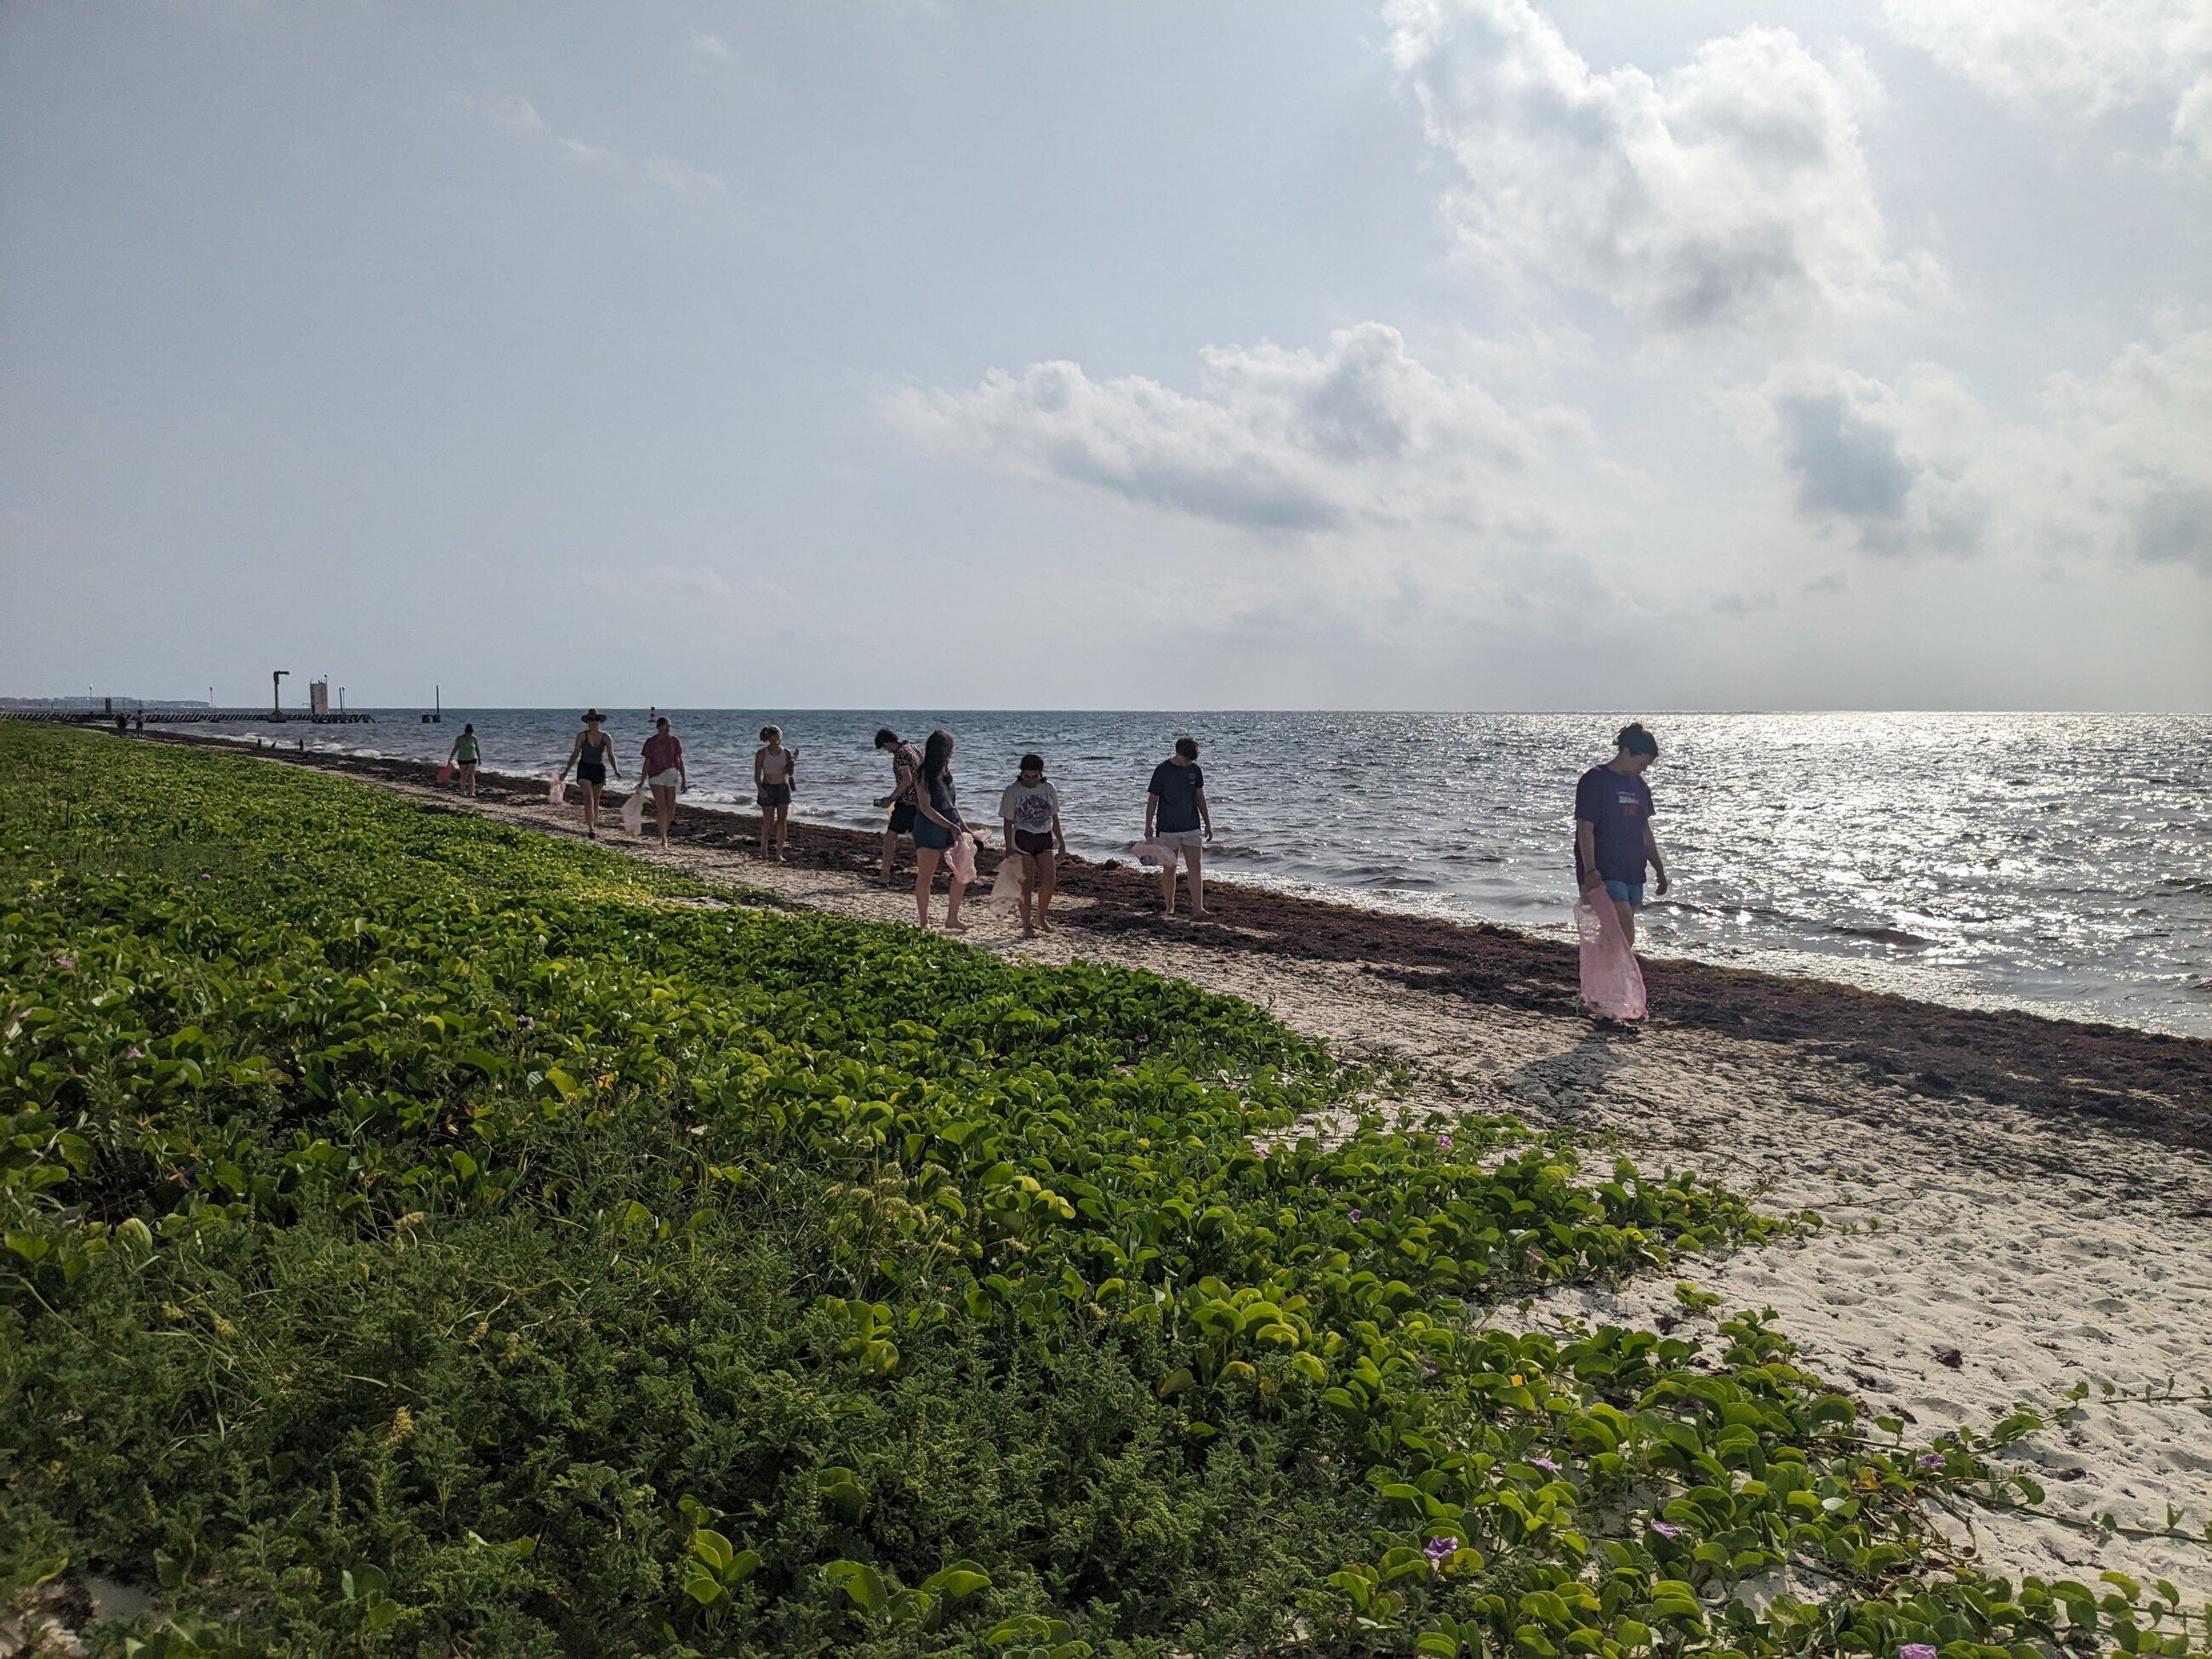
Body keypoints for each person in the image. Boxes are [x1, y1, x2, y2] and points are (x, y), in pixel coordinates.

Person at [1574, 722, 1670, 949]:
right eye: (1642, 763)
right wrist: (1589, 869)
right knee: (1624, 929)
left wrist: (1659, 869)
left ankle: (1603, 976)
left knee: (1614, 933)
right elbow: (1585, 827)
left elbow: (1645, 830)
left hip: (1633, 872)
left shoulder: (1641, 787)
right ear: (1627, 751)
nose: (1643, 769)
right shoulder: (1595, 780)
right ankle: (1621, 976)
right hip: (1604, 870)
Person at [1145, 736, 1214, 919]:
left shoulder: (1195, 770)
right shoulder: (1162, 770)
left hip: (1192, 826)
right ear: (1179, 753)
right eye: (1188, 758)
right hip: (1167, 828)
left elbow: (1200, 797)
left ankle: (1198, 908)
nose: (1190, 762)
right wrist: (1148, 825)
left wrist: (1208, 823)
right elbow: (1153, 800)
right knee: (1169, 867)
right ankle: (1169, 907)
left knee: (1195, 867)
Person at [999, 752, 1066, 938]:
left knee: (1049, 882)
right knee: (1026, 885)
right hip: (1022, 839)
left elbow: (1055, 817)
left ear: (1041, 774)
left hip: (1044, 838)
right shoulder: (1012, 791)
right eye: (1026, 776)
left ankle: (1041, 917)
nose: (1030, 781)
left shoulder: (1049, 788)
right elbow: (1007, 822)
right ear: (1021, 774)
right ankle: (1026, 925)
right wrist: (1009, 848)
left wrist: (1061, 843)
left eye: (1034, 776)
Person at [911, 728, 972, 932]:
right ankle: (924, 922)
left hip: (950, 825)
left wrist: (964, 827)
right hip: (929, 828)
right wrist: (950, 825)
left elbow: (951, 805)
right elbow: (926, 807)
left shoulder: (947, 772)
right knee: (926, 876)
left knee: (961, 872)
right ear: (941, 751)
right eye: (949, 749)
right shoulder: (923, 774)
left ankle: (952, 918)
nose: (951, 753)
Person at [874, 727, 923, 887]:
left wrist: (891, 798)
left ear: (888, 743)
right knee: (921, 840)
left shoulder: (900, 755)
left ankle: (884, 875)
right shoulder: (913, 747)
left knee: (890, 837)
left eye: (885, 748)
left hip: (907, 803)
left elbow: (906, 780)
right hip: (921, 801)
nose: (887, 752)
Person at [559, 710, 620, 837]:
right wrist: (566, 771)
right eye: (591, 720)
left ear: (599, 721)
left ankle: (592, 824)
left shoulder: (606, 737)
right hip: (584, 768)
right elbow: (575, 753)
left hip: (599, 769)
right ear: (588, 722)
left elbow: (610, 754)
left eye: (596, 719)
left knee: (596, 800)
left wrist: (616, 770)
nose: (594, 722)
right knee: (588, 798)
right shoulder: (582, 736)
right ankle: (591, 829)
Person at [641, 716, 687, 849]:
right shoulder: (651, 742)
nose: (668, 729)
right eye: (665, 727)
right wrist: (642, 779)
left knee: (671, 808)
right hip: (656, 775)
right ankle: (663, 838)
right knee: (661, 807)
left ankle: (664, 831)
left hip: (671, 773)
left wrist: (684, 779)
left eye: (669, 727)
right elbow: (647, 761)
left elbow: (680, 760)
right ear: (659, 727)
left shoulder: (675, 741)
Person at [754, 724, 798, 860]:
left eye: (776, 739)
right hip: (768, 787)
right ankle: (763, 848)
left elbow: (789, 773)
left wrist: (792, 764)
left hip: (782, 787)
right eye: (772, 739)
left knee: (782, 821)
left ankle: (779, 853)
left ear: (780, 737)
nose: (774, 742)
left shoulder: (786, 752)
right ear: (768, 739)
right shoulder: (762, 753)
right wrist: (760, 789)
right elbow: (757, 774)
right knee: (768, 821)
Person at [445, 722, 481, 797]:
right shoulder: (460, 738)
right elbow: (455, 749)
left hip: (472, 758)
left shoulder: (474, 738)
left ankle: (471, 792)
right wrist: (450, 758)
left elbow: (477, 749)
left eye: (470, 733)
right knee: (463, 775)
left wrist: (479, 759)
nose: (469, 735)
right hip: (462, 759)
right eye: (468, 733)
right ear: (466, 732)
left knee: (471, 775)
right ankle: (463, 791)